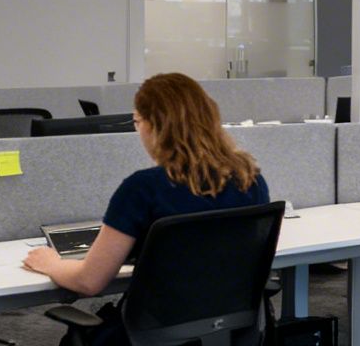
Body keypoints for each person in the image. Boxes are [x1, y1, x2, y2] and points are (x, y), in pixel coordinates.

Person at [21, 73, 272, 338]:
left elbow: (88, 281)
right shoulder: (250, 180)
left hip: (153, 335)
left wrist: (49, 263)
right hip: (231, 331)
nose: (137, 130)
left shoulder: (143, 189)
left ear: (154, 126)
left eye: (137, 122)